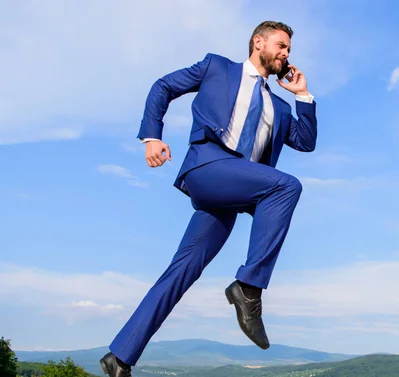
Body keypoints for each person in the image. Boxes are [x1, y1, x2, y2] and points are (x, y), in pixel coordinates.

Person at [99, 20, 317, 377]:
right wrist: (151, 136)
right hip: (208, 167)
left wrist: (303, 96)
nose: (286, 53)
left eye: (289, 50)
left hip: (234, 190)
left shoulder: (277, 108)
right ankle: (248, 288)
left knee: (183, 269)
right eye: (280, 45)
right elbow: (164, 86)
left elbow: (306, 141)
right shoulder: (217, 67)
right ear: (257, 42)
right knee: (286, 186)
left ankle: (120, 357)